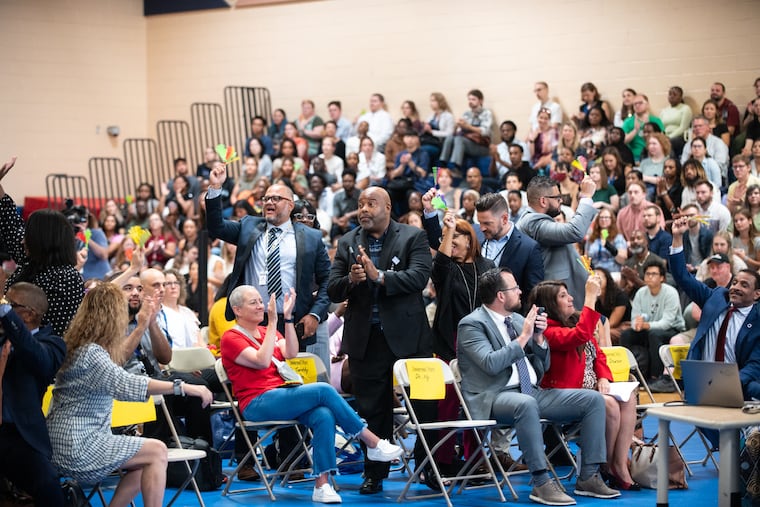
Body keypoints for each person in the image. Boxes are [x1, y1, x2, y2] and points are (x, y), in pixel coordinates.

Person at [221, 285, 403, 503]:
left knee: (323, 414)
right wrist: (272, 322)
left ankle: (322, 484)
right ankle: (371, 441)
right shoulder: (231, 337)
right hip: (256, 402)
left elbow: (290, 352)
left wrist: (287, 319)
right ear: (237, 310)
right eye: (254, 302)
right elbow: (261, 360)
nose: (261, 306)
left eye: (261, 301)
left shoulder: (265, 332)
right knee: (324, 390)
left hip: (281, 394)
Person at [457, 267, 620, 505]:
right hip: (494, 396)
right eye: (514, 288)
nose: (520, 291)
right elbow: (490, 364)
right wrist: (523, 338)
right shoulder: (471, 324)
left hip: (531, 391)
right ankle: (541, 482)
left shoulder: (517, 320)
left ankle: (589, 476)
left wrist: (540, 340)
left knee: (592, 400)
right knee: (526, 403)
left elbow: (541, 366)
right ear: (501, 296)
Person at [47, 283, 212, 507]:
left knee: (145, 459)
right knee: (157, 451)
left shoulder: (79, 347)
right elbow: (126, 384)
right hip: (79, 446)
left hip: (63, 442)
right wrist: (182, 386)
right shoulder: (92, 353)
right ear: (111, 317)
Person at [327, 186, 434, 495]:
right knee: (374, 411)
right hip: (365, 338)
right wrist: (352, 280)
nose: (363, 209)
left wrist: (380, 276)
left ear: (387, 206)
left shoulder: (413, 237)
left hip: (410, 338)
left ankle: (428, 468)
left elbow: (418, 278)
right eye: (360, 204)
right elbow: (333, 289)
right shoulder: (347, 242)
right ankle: (374, 473)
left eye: (371, 203)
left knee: (425, 405)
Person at [529, 277, 640, 491]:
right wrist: (590, 296)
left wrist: (603, 377)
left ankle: (618, 464)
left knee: (628, 398)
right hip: (565, 396)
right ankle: (603, 465)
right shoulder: (547, 331)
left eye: (568, 293)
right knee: (608, 403)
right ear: (550, 304)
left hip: (593, 388)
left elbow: (599, 355)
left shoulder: (575, 320)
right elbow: (579, 336)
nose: (571, 298)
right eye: (563, 296)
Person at [206, 165, 331, 351]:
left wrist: (315, 314)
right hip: (253, 321)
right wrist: (216, 187)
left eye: (276, 198)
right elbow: (216, 227)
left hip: (292, 321)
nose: (268, 202)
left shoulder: (311, 237)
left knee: (292, 377)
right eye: (266, 198)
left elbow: (328, 279)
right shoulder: (248, 227)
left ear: (290, 205)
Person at [668, 215, 760, 401]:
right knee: (711, 425)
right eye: (734, 282)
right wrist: (677, 238)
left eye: (744, 285)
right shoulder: (716, 297)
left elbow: (756, 362)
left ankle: (751, 429)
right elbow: (682, 277)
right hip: (702, 382)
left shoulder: (757, 318)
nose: (735, 287)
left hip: (738, 383)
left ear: (757, 294)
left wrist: (730, 382)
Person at [1, 156, 84, 336]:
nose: (23, 240)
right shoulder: (30, 260)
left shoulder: (66, 278)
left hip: (42, 358)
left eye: (28, 235)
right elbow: (11, 222)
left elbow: (52, 334)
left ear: (43, 240)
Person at [0, 283, 66, 506]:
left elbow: (39, 360)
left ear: (28, 314)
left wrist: (5, 313)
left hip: (17, 435)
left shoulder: (52, 344)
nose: (4, 307)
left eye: (10, 304)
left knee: (48, 484)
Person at [517, 175, 598, 310]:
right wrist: (586, 197)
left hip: (564, 296)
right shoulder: (532, 222)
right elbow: (574, 231)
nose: (561, 200)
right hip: (555, 300)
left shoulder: (536, 219)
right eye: (557, 197)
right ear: (543, 201)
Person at [620, 260, 685, 381]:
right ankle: (627, 373)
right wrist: (637, 325)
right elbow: (634, 319)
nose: (650, 277)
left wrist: (646, 325)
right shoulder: (640, 293)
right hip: (648, 328)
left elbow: (667, 323)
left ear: (662, 278)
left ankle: (656, 376)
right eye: (647, 274)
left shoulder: (670, 293)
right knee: (626, 334)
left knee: (654, 335)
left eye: (654, 274)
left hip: (672, 329)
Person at [440, 89, 493, 172]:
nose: (470, 101)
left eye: (473, 99)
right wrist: (457, 126)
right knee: (450, 137)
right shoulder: (466, 114)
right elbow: (458, 132)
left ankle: (455, 167)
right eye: (469, 99)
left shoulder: (486, 113)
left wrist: (468, 127)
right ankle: (442, 164)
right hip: (468, 141)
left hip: (481, 144)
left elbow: (484, 131)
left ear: (481, 101)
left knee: (459, 139)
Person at [622, 94, 664, 162]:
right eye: (635, 104)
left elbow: (663, 139)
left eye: (640, 103)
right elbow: (623, 140)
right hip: (634, 156)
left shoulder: (656, 120)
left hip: (653, 155)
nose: (637, 105)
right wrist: (635, 130)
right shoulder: (628, 121)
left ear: (647, 104)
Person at [421, 92, 455, 162]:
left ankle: (436, 172)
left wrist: (432, 132)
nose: (431, 103)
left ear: (440, 102)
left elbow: (449, 133)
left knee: (425, 150)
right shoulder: (430, 116)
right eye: (430, 101)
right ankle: (426, 171)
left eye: (433, 101)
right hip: (429, 141)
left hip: (440, 143)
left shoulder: (448, 116)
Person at [660, 86, 693, 156]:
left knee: (669, 143)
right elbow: (661, 127)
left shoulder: (685, 108)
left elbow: (683, 127)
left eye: (674, 94)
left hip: (680, 137)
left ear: (680, 97)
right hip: (666, 136)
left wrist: (668, 137)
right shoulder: (664, 110)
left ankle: (672, 163)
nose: (672, 96)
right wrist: (662, 137)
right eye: (670, 94)